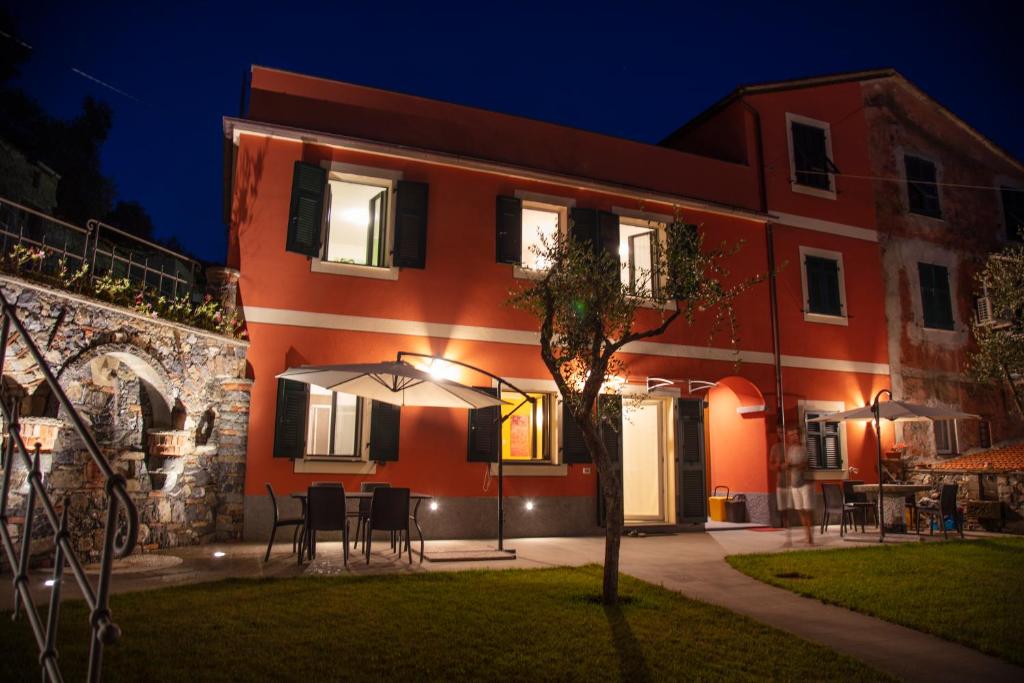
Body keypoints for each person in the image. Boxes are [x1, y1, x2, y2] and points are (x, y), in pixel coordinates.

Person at [785, 427, 814, 544]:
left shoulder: (803, 449)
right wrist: (788, 466)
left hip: (804, 484)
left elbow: (803, 465)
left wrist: (792, 465)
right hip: (794, 484)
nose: (793, 437)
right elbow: (788, 465)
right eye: (791, 435)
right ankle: (806, 534)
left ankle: (810, 535)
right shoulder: (790, 450)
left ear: (798, 435)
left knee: (807, 510)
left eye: (795, 434)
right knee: (800, 511)